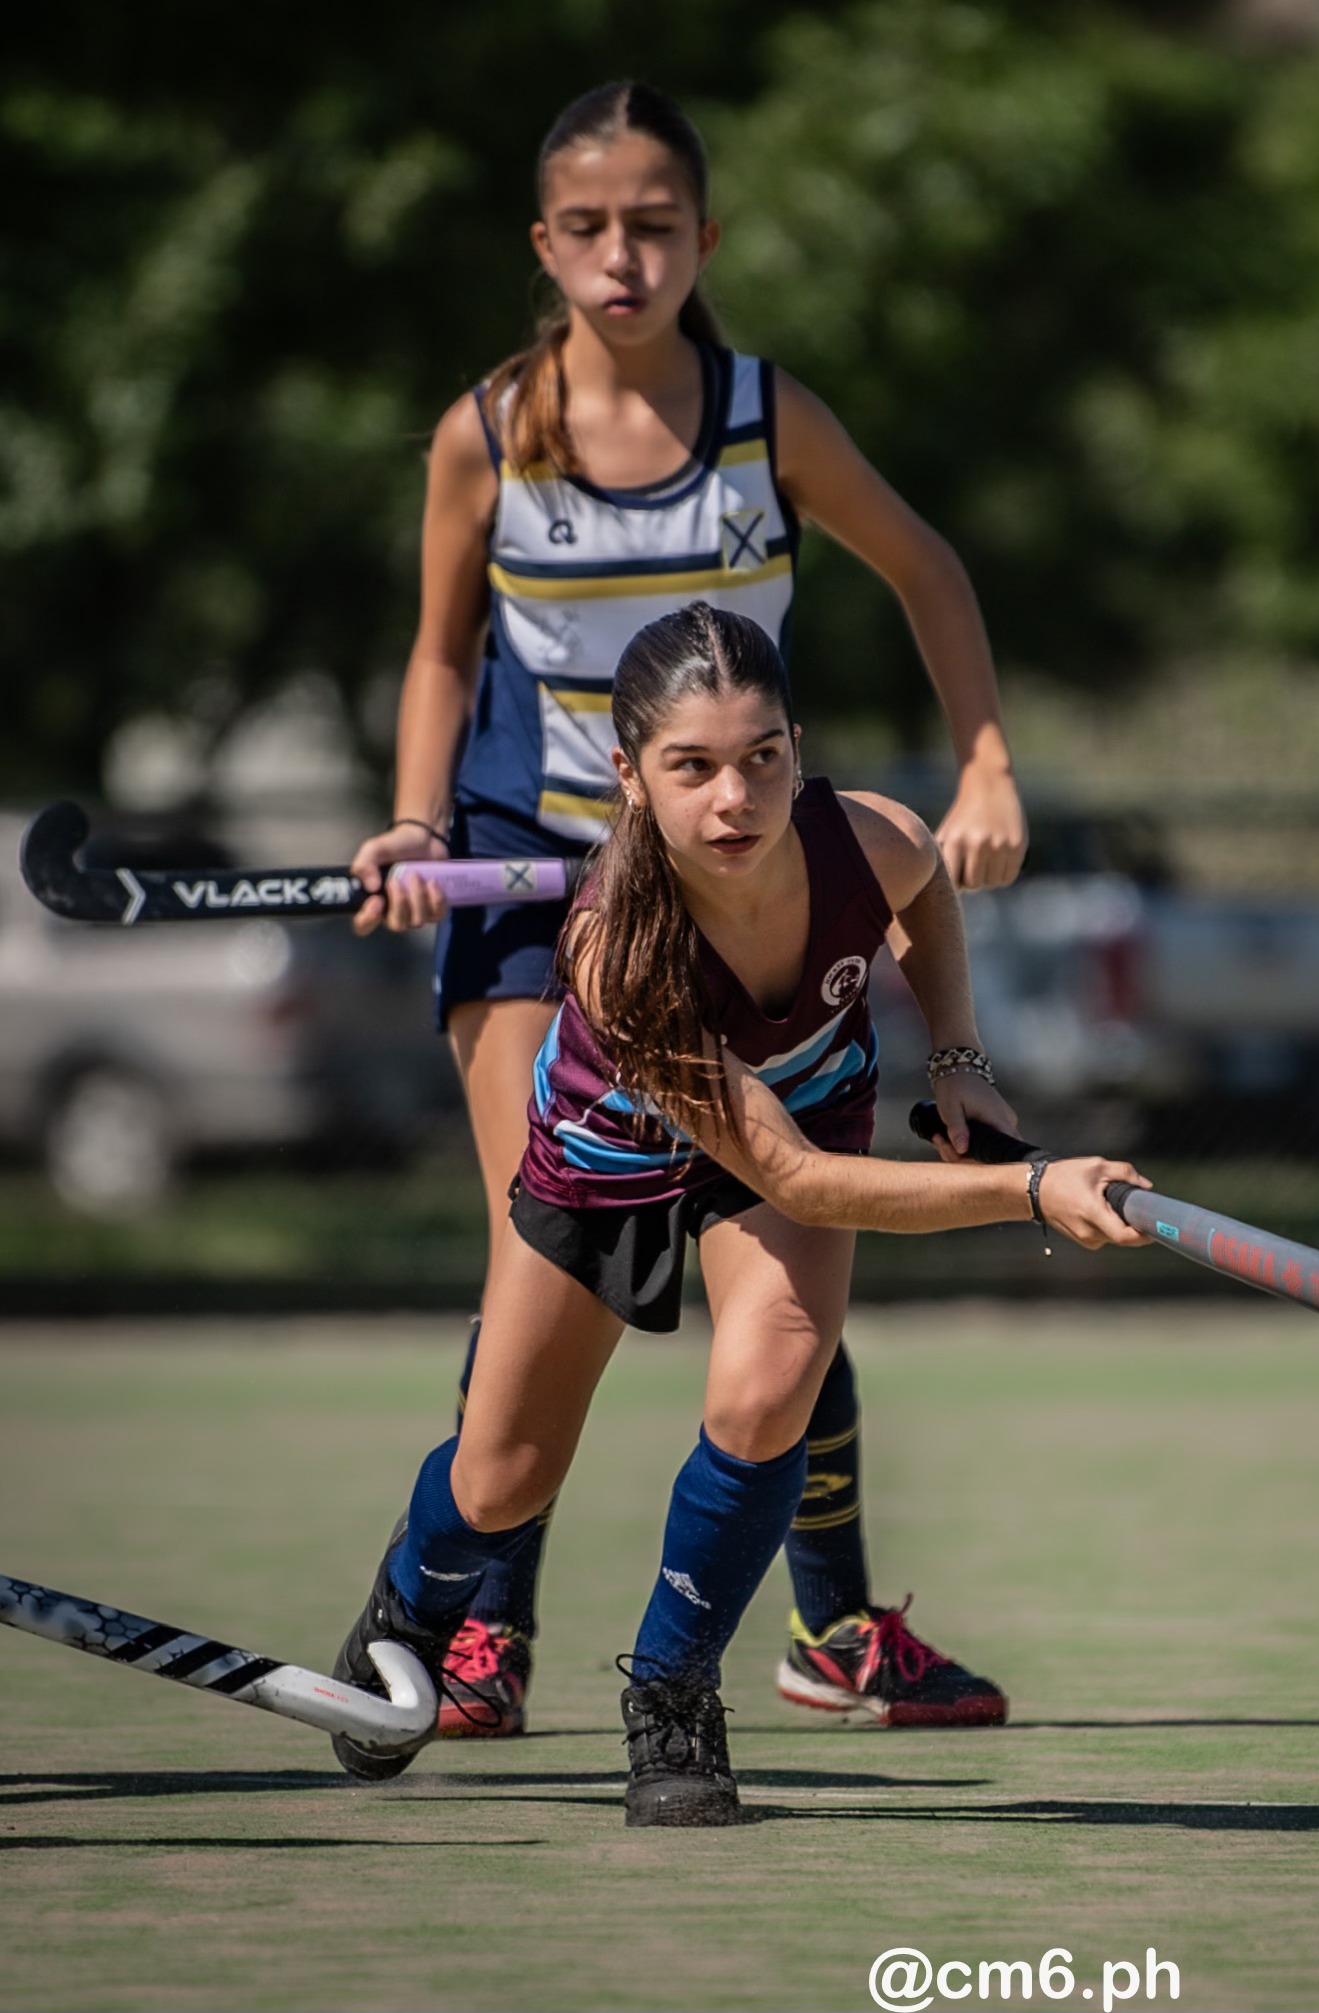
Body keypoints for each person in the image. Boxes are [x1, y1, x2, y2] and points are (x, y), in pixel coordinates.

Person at [347, 80, 1031, 1736]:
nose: (620, 256)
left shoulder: (761, 416)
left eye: (653, 225)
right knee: (546, 1238)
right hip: (545, 895)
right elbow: (443, 652)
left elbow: (929, 566)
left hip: (747, 876)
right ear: (543, 244)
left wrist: (986, 764)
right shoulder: (487, 428)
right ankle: (479, 1627)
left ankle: (833, 1627)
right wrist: (416, 817)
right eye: (585, 227)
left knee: (780, 1265)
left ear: (701, 238)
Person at [332, 605, 1147, 1827]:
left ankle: (670, 1696)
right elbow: (801, 1184)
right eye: (693, 766)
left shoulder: (867, 839)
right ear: (629, 775)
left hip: (802, 1110)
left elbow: (925, 894)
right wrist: (1031, 1188)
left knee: (772, 1386)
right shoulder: (618, 945)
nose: (735, 798)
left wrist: (958, 1057)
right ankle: (411, 1600)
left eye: (762, 755)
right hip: (612, 1151)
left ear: (797, 748)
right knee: (503, 1479)